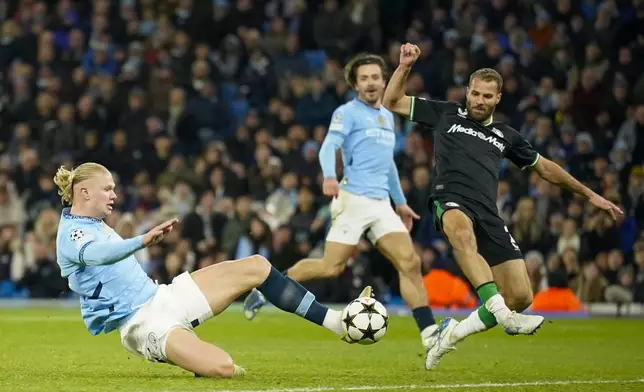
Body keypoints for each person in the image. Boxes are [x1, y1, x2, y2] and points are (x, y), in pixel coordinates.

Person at [382, 43, 623, 369]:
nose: (479, 100)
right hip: (450, 199)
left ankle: (452, 333)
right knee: (463, 238)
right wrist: (405, 67)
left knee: (521, 296)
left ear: (498, 99)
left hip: (488, 212)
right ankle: (504, 318)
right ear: (467, 91)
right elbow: (392, 101)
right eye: (475, 93)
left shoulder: (505, 135)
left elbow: (546, 168)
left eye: (487, 96)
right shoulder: (446, 113)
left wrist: (589, 194)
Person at [53, 162, 369, 378]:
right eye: (107, 189)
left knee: (256, 266)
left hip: (163, 296)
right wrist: (142, 240)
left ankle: (338, 323)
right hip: (142, 324)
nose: (114, 195)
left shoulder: (92, 223)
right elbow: (99, 255)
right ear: (85, 193)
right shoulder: (72, 234)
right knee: (224, 369)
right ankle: (183, 348)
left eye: (113, 189)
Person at [244, 53, 440, 355]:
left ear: (384, 80)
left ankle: (430, 335)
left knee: (410, 262)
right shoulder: (347, 113)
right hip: (353, 200)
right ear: (355, 84)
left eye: (376, 77)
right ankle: (267, 287)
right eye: (364, 78)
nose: (371, 83)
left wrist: (400, 203)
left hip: (380, 204)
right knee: (330, 266)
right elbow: (329, 146)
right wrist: (329, 176)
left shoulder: (388, 116)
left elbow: (387, 165)